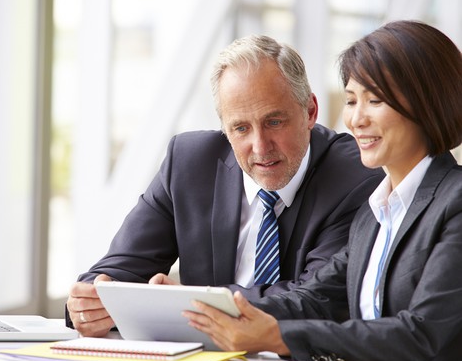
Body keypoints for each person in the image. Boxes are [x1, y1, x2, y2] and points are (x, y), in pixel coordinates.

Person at [184, 20, 462, 361]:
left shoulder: (455, 202)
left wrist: (278, 337)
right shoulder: (376, 213)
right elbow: (312, 299)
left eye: (374, 100)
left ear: (429, 104)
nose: (356, 119)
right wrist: (196, 309)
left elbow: (421, 335)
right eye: (350, 100)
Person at [66, 34, 383, 337]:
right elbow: (118, 271)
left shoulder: (355, 175)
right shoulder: (189, 163)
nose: (260, 147)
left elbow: (318, 300)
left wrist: (196, 304)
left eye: (274, 122)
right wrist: (90, 304)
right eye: (241, 128)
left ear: (310, 111)